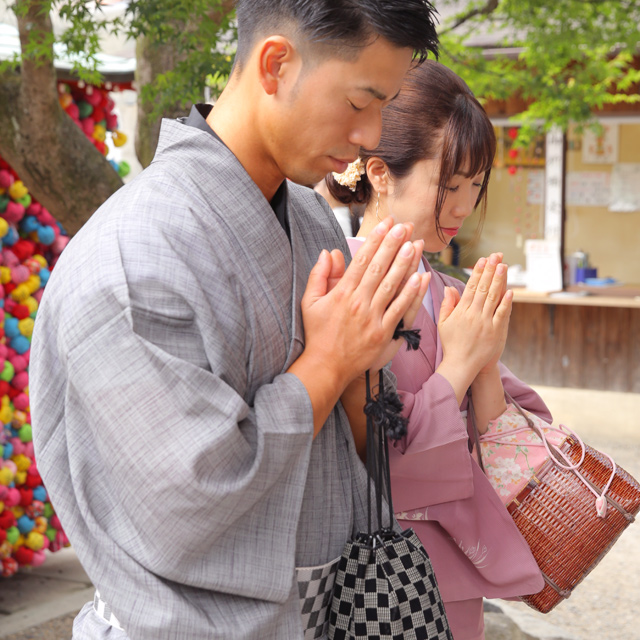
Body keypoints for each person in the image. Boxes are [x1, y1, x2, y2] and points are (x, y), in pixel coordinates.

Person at [28, 2, 439, 638]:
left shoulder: (308, 216)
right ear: (276, 64)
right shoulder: (134, 255)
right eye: (360, 102)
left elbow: (350, 441)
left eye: (383, 106)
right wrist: (328, 361)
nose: (371, 134)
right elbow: (185, 499)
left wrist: (368, 347)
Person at [328, 60, 550, 640]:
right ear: (380, 173)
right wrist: (459, 365)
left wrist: (483, 372)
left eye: (475, 187)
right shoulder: (335, 282)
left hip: (455, 579)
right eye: (448, 186)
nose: (460, 207)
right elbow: (368, 457)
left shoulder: (450, 292)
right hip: (368, 578)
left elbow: (518, 450)